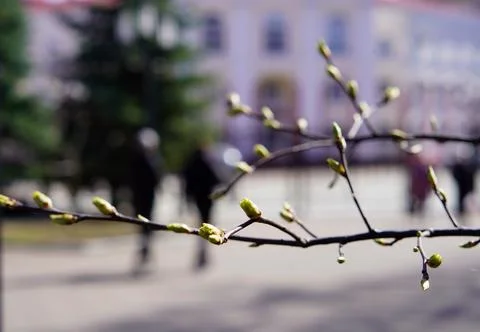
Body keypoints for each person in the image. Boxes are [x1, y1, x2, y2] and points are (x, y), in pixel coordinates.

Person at [181, 141, 222, 270]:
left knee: (201, 223)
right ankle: (204, 249)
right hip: (207, 198)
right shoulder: (206, 163)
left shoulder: (191, 164)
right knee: (206, 222)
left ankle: (202, 249)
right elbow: (216, 178)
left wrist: (187, 198)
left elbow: (186, 182)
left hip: (197, 198)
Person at [129, 128, 163, 276]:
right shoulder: (144, 161)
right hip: (143, 198)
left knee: (145, 224)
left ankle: (145, 248)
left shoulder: (146, 160)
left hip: (144, 198)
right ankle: (145, 248)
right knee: (144, 224)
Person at [450, 145, 477, 217]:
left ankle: (463, 209)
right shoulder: (458, 166)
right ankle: (461, 209)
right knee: (460, 197)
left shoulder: (469, 166)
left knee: (465, 198)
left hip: (465, 185)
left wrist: (471, 187)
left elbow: (471, 177)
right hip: (461, 184)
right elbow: (455, 174)